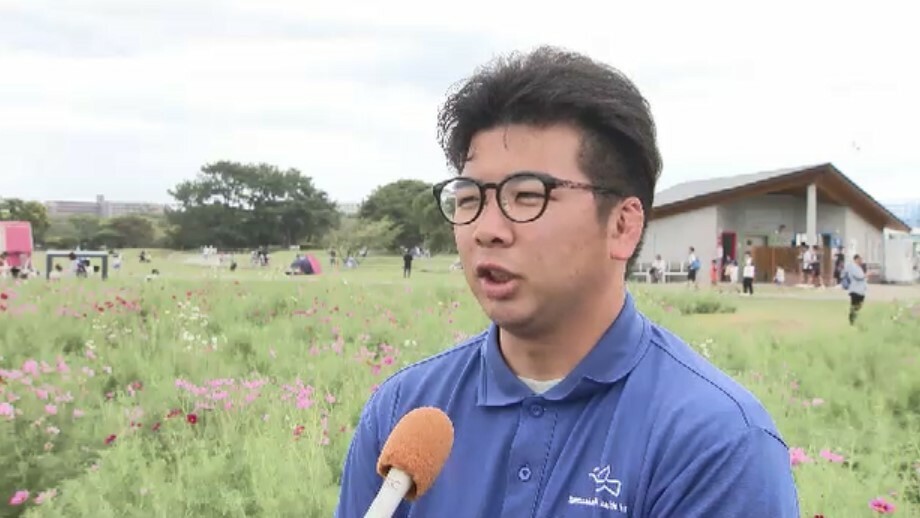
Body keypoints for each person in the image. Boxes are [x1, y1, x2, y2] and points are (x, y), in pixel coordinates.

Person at [335, 46, 798, 517]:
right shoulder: (404, 410)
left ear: (622, 226)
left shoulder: (714, 443)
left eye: (527, 195)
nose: (487, 228)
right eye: (470, 197)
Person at [841, 254, 867, 325]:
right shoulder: (853, 267)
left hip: (860, 291)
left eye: (861, 259)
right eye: (859, 259)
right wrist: (866, 275)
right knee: (854, 306)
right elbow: (859, 277)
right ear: (856, 259)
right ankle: (852, 321)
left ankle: (854, 319)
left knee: (859, 306)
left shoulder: (859, 267)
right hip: (855, 290)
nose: (861, 261)